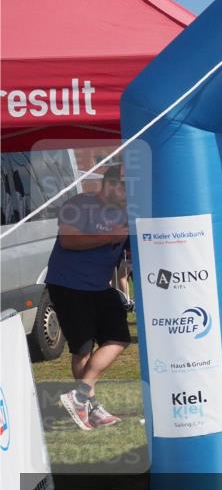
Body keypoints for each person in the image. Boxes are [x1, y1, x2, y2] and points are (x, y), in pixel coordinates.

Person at [48, 164, 129, 430]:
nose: (129, 193)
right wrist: (109, 237)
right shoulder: (81, 203)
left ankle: (80, 395)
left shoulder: (126, 214)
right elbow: (69, 240)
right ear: (109, 184)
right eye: (125, 186)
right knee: (83, 348)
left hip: (99, 287)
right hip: (69, 285)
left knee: (118, 337)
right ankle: (90, 409)